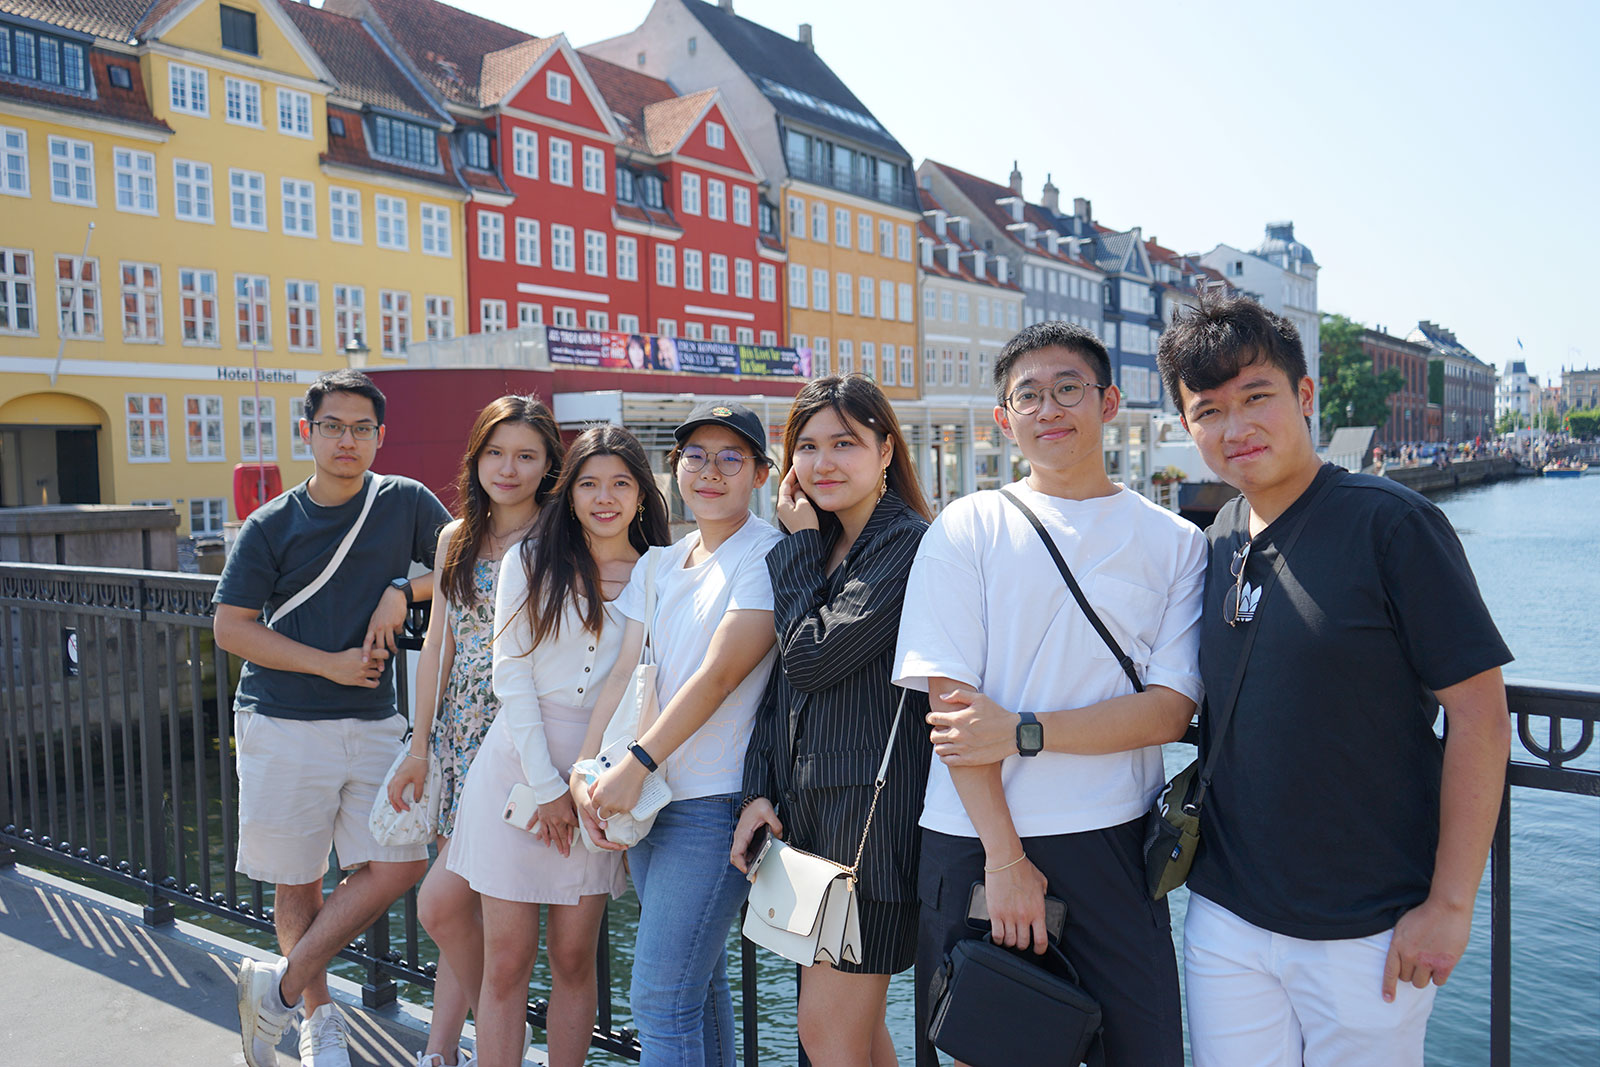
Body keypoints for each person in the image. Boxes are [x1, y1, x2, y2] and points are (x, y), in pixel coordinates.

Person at [1155, 295, 1512, 1067]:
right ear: (1188, 427)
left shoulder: (1391, 524)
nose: (1234, 426)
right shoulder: (1217, 536)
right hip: (1227, 917)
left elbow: (1481, 717)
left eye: (1257, 397)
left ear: (1305, 397)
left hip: (1369, 926)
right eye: (1208, 409)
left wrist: (1450, 906)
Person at [892, 321, 1205, 1066]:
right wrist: (1006, 860)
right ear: (1004, 417)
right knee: (986, 1050)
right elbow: (954, 711)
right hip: (975, 839)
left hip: (1115, 839)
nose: (1049, 408)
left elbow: (1170, 708)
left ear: (1109, 402)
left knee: (1142, 1047)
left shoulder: (1175, 541)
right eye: (1027, 395)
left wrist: (1025, 730)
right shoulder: (967, 527)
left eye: (1069, 389)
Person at [216, 369, 452, 1067]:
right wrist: (328, 664)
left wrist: (400, 588)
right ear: (309, 432)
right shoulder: (271, 523)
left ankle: (278, 987)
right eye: (332, 426)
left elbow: (470, 560)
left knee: (401, 861)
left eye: (360, 428)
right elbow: (231, 626)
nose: (346, 440)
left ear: (380, 436)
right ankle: (319, 1017)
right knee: (299, 881)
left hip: (374, 723)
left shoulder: (403, 500)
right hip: (281, 719)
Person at [439, 425, 670, 1067]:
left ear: (642, 495)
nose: (604, 497)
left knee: (573, 958)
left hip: (601, 778)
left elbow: (628, 676)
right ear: (568, 494)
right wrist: (547, 787)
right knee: (507, 962)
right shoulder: (531, 560)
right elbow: (508, 674)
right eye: (589, 483)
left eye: (621, 483)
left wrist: (583, 784)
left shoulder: (658, 570)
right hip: (516, 765)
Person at [574, 401, 783, 1066]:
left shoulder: (768, 553)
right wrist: (587, 769)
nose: (711, 471)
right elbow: (625, 673)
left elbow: (722, 673)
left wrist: (636, 760)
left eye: (731, 458)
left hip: (713, 805)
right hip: (649, 800)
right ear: (675, 469)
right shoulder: (659, 564)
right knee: (697, 990)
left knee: (660, 1001)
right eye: (695, 456)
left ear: (759, 473)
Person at [732, 375, 933, 1064]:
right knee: (856, 1032)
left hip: (869, 826)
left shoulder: (904, 542)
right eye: (807, 446)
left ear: (885, 450)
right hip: (809, 820)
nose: (823, 462)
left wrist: (790, 549)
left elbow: (813, 658)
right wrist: (757, 791)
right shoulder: (820, 546)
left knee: (825, 1032)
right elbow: (779, 687)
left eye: (845, 443)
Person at [385, 395, 564, 1067]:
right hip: (462, 739)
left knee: (453, 903)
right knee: (464, 909)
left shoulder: (560, 534)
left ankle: (498, 1028)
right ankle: (444, 1048)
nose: (508, 468)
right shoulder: (455, 536)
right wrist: (421, 748)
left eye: (525, 455)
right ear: (476, 457)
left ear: (549, 463)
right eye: (495, 452)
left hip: (524, 738)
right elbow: (438, 647)